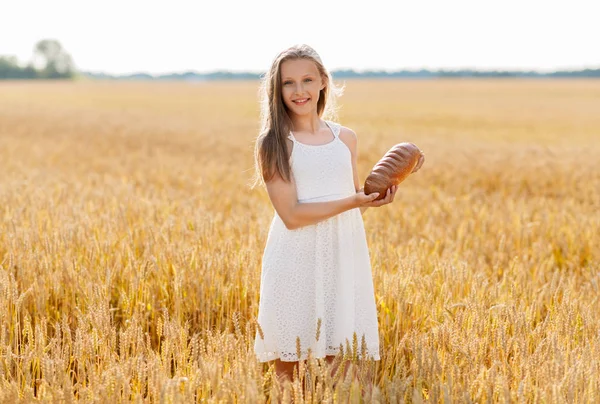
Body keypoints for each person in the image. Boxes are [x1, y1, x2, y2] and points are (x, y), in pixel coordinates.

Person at [250, 44, 404, 382]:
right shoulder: (274, 142)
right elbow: (291, 215)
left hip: (342, 251)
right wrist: (354, 201)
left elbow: (350, 205)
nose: (299, 90)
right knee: (290, 363)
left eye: (307, 79)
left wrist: (370, 201)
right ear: (277, 90)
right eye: (288, 83)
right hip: (294, 256)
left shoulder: (345, 138)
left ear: (323, 82)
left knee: (343, 358)